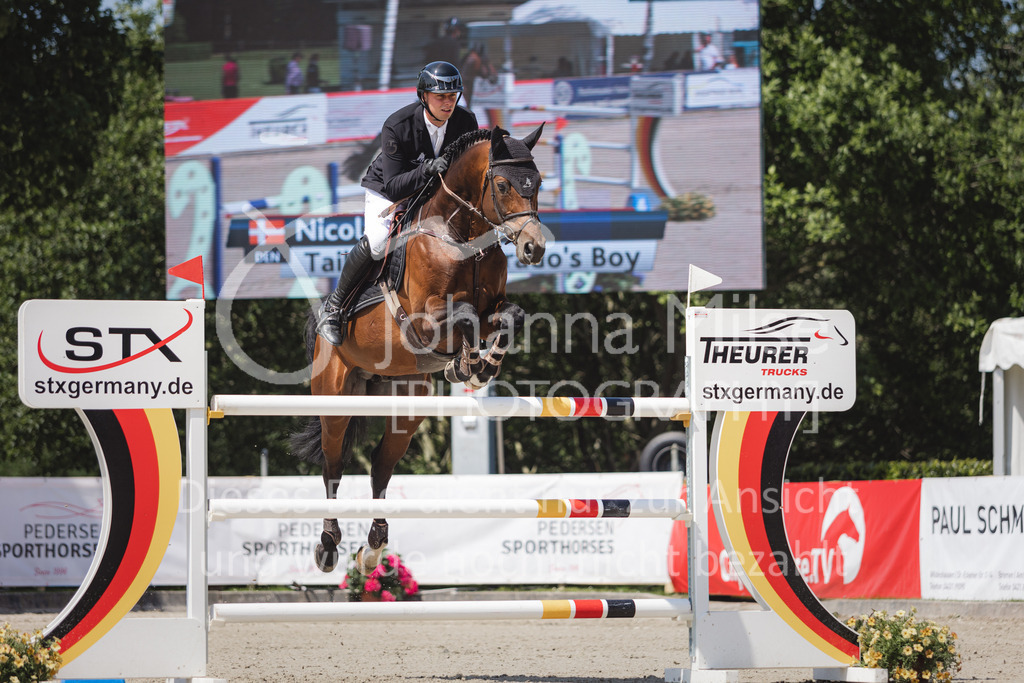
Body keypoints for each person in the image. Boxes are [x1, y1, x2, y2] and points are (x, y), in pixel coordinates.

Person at [315, 61, 479, 345]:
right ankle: (333, 308)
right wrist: (427, 169)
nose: (448, 102)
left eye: (453, 96)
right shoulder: (398, 125)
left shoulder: (466, 123)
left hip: (433, 193)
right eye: (441, 96)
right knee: (379, 240)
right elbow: (393, 185)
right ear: (423, 96)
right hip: (389, 190)